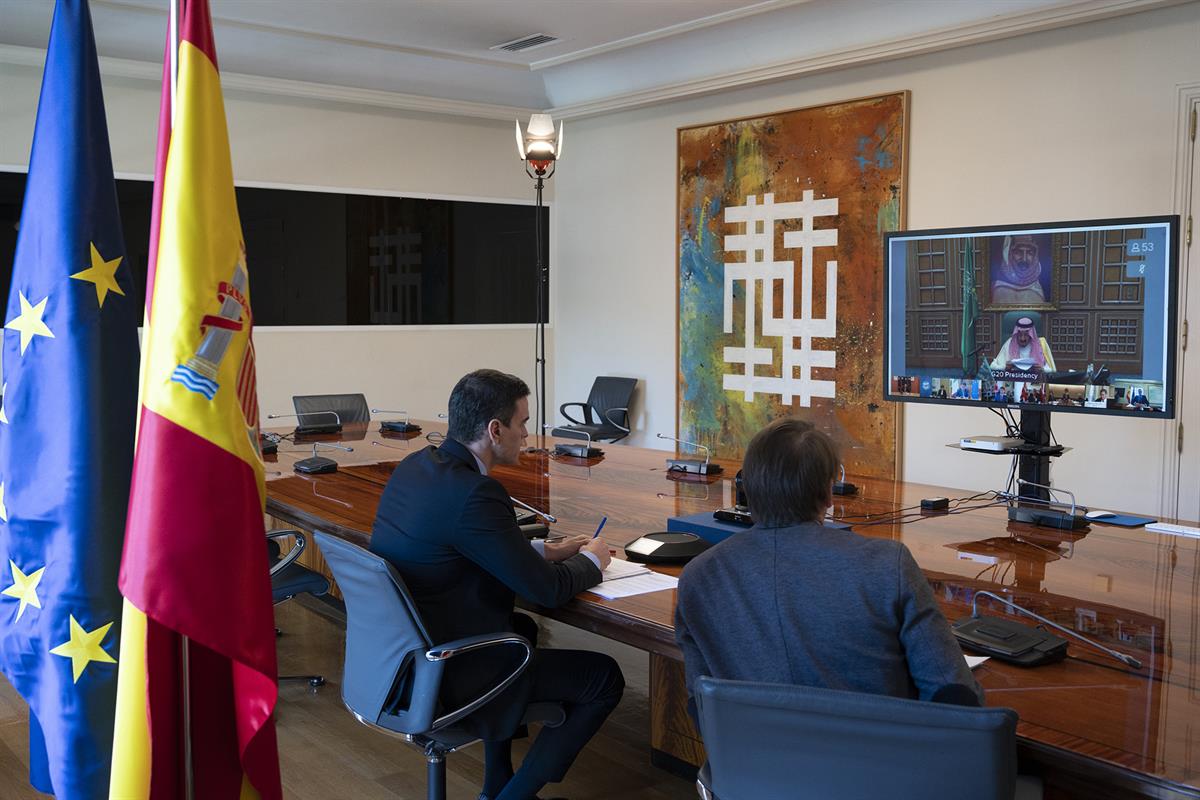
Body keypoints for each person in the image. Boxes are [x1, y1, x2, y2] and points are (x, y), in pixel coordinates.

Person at [371, 369, 623, 800]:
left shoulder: (420, 466)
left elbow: (458, 542)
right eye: (522, 423)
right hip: (448, 672)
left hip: (398, 660)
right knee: (603, 678)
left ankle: (496, 783)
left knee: (518, 628)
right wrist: (592, 561)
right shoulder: (478, 493)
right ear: (494, 429)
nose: (526, 435)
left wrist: (544, 550)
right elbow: (547, 591)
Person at [674, 418, 983, 720]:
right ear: (828, 493)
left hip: (752, 767)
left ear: (746, 488)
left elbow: (701, 707)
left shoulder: (697, 578)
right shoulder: (888, 565)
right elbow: (955, 699)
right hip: (882, 767)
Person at [992, 234, 1047, 304]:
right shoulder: (999, 290)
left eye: (1029, 253)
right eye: (1018, 252)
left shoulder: (1037, 288)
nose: (1024, 259)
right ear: (1009, 254)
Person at [990, 316, 1057, 373]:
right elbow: (992, 367)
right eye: (1020, 335)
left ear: (1031, 335)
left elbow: (1052, 371)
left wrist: (1042, 370)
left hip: (1035, 385)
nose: (1022, 339)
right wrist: (1004, 367)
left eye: (1026, 335)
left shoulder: (1042, 344)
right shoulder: (1009, 343)